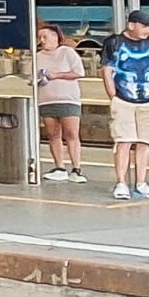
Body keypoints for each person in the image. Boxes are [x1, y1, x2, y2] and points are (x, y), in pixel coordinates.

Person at [102, 8, 149, 201]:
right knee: (123, 140)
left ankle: (141, 182)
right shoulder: (114, 43)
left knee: (146, 141)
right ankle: (121, 182)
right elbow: (107, 70)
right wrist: (113, 95)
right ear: (131, 25)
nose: (148, 30)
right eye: (144, 26)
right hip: (123, 98)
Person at [33, 21, 88, 182]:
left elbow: (79, 72)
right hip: (46, 99)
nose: (42, 40)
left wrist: (56, 75)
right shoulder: (38, 56)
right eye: (40, 37)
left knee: (71, 133)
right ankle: (59, 166)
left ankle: (76, 168)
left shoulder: (68, 53)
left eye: (45, 37)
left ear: (55, 37)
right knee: (53, 134)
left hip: (68, 99)